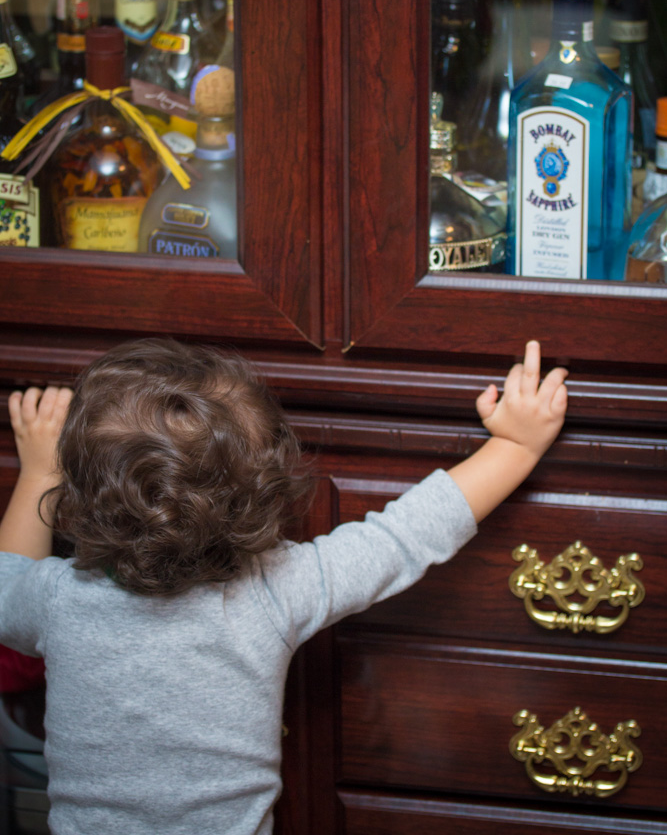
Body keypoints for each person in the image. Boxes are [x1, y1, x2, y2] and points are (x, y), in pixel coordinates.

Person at [0, 337, 567, 835]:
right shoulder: (274, 589)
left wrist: (38, 471)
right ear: (264, 493)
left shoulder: (59, 600)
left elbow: (5, 581)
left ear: (78, 497)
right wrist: (515, 447)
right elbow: (404, 537)